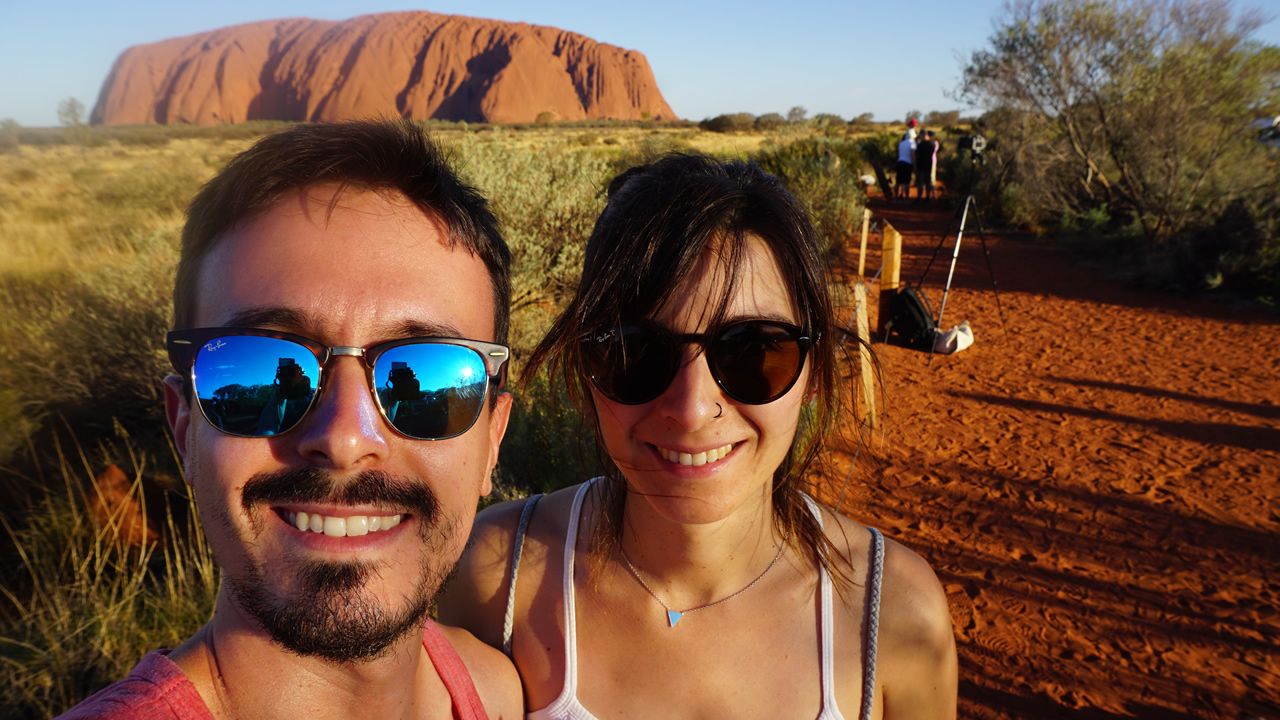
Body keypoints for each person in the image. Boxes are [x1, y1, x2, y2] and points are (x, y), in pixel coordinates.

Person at [440, 154, 958, 717]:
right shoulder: (491, 578)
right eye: (632, 351)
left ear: (814, 372)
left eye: (755, 349)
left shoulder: (895, 615)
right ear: (583, 370)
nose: (690, 408)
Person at [58, 120, 522, 719]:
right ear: (183, 429)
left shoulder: (495, 691)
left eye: (429, 378)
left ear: (492, 439)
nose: (345, 437)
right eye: (270, 369)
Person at [914, 130, 940, 202]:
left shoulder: (920, 145)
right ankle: (928, 197)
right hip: (929, 164)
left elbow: (916, 154)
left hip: (921, 165)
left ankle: (919, 197)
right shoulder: (932, 144)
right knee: (928, 182)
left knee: (921, 182)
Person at [895, 130, 916, 201]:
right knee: (906, 181)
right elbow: (912, 155)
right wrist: (914, 165)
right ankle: (906, 198)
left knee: (898, 181)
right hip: (907, 163)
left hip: (900, 162)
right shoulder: (912, 143)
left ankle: (896, 197)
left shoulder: (901, 143)